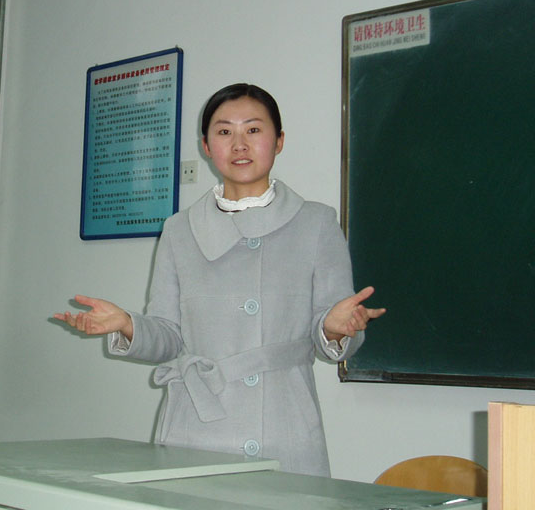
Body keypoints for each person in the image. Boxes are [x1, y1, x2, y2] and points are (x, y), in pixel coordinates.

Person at [54, 83, 386, 477]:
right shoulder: (179, 230)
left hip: (284, 424)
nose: (239, 144)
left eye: (254, 130)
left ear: (279, 141)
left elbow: (332, 332)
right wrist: (127, 325)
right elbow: (168, 335)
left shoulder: (316, 223)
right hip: (198, 424)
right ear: (207, 147)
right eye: (225, 131)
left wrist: (334, 329)